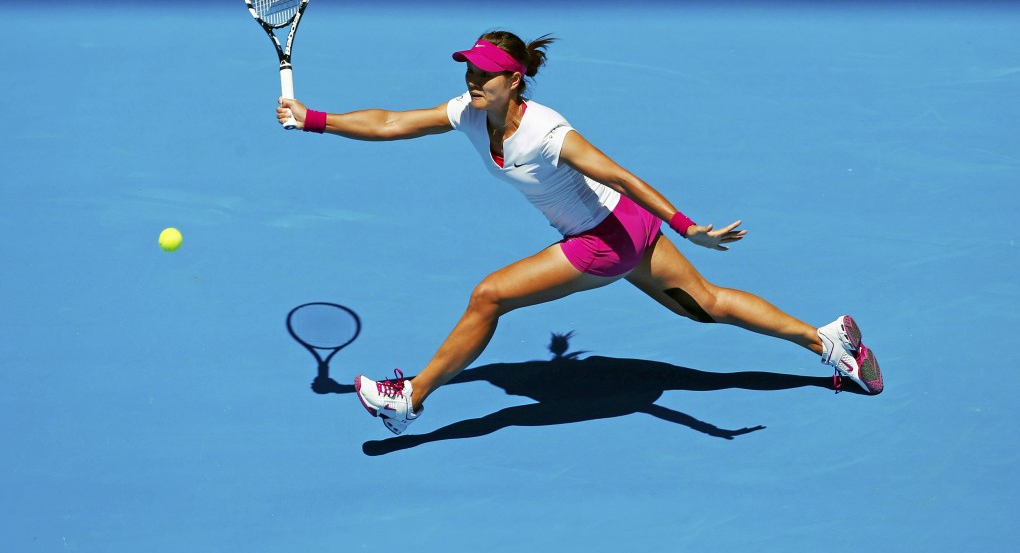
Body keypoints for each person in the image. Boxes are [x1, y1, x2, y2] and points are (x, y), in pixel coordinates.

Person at [277, 31, 883, 436]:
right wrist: (313, 120)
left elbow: (617, 172)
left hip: (605, 239)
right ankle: (829, 342)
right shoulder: (468, 113)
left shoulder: (547, 132)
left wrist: (687, 226)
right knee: (709, 306)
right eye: (470, 70)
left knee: (489, 296)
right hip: (625, 225)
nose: (473, 81)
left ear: (515, 81)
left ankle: (410, 398)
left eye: (486, 74)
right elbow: (390, 123)